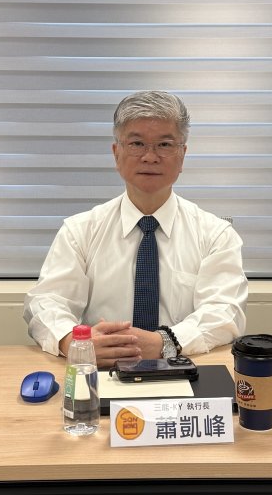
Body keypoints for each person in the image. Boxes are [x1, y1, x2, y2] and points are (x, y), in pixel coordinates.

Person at [24, 90, 247, 368]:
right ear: (116, 153)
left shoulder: (216, 235)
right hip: (102, 371)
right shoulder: (80, 231)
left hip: (184, 369)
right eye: (137, 143)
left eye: (164, 144)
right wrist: (74, 342)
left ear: (182, 155)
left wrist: (165, 342)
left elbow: (225, 311)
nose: (150, 157)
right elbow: (46, 302)